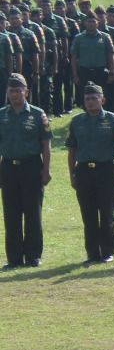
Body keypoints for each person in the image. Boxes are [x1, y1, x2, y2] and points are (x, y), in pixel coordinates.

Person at [64, 82, 114, 264]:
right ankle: (92, 253)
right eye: (87, 99)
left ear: (102, 100)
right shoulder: (77, 122)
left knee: (107, 213)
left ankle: (107, 251)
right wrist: (72, 174)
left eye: (94, 98)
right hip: (84, 171)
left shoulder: (113, 120)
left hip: (105, 170)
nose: (90, 102)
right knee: (88, 214)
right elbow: (72, 150)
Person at [0, 74, 50, 268]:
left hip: (31, 166)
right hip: (8, 167)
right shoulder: (2, 115)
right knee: (11, 214)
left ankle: (33, 255)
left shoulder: (38, 114)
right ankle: (13, 258)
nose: (14, 95)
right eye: (11, 91)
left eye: (18, 90)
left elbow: (46, 145)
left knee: (32, 213)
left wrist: (46, 170)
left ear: (26, 92)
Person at [70, 13, 114, 113]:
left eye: (93, 21)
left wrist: (111, 72)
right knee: (86, 97)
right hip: (84, 72)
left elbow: (111, 55)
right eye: (89, 21)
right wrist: (75, 75)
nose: (91, 24)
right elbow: (74, 57)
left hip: (101, 71)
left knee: (102, 97)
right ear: (85, 23)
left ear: (98, 23)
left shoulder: (105, 37)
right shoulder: (79, 38)